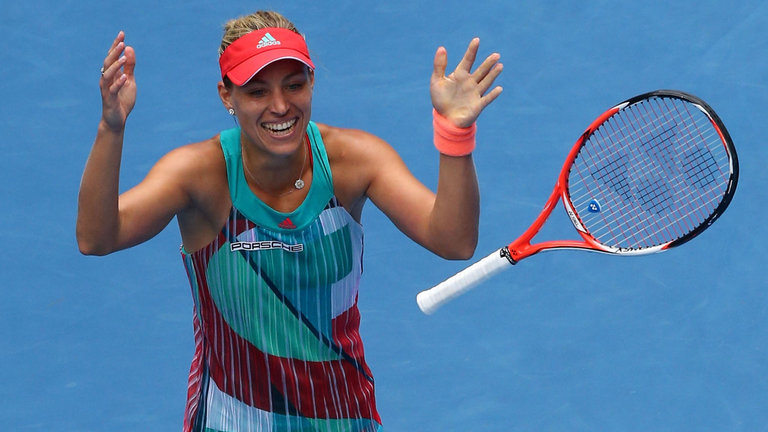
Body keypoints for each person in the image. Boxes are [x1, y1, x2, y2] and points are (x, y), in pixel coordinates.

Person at [77, 10, 502, 432]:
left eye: (294, 85)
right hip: (229, 422)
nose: (280, 106)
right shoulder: (198, 176)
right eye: (257, 91)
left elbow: (454, 241)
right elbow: (97, 237)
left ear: (312, 83)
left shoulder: (354, 162)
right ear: (227, 95)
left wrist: (454, 134)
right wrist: (110, 128)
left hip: (342, 416)